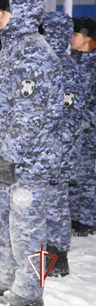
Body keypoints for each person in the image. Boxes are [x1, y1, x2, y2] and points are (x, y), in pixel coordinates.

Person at [0, 0, 63, 306]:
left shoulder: (33, 53)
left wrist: (10, 156)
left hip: (29, 160)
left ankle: (30, 291)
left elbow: (28, 114)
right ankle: (9, 276)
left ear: (21, 13)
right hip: (5, 157)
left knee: (27, 225)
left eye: (2, 11)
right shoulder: (10, 48)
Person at [41, 12, 85, 276]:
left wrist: (56, 153)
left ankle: (58, 259)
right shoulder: (49, 62)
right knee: (48, 204)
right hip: (48, 150)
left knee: (56, 204)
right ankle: (50, 252)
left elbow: (69, 116)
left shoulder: (64, 67)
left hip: (58, 151)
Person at [69, 16, 96, 237]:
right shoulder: (74, 61)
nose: (71, 38)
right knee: (74, 174)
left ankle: (88, 218)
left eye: (75, 34)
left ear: (87, 38)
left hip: (90, 132)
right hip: (73, 131)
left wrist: (86, 121)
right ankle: (75, 216)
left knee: (88, 175)